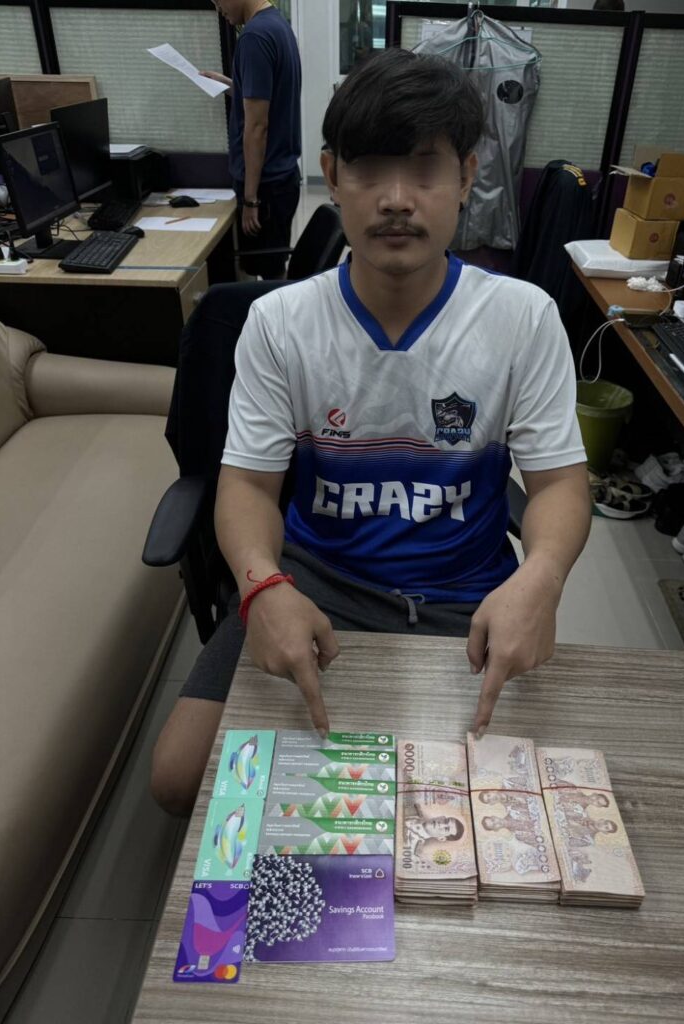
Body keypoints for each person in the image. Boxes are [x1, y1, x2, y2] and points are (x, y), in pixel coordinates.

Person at [151, 48, 591, 816]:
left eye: (424, 170)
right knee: (181, 777)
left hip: (466, 595)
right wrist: (260, 586)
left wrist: (542, 577)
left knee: (481, 804)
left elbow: (556, 483)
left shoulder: (521, 318)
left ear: (467, 175)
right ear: (331, 174)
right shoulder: (280, 323)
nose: (395, 199)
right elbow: (246, 484)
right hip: (316, 583)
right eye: (368, 171)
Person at [203, 0, 301, 277]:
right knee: (272, 268)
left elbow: (257, 127)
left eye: (218, 0)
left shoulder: (254, 37)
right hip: (282, 178)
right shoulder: (277, 25)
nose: (218, 9)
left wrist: (250, 199)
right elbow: (271, 97)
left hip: (264, 188)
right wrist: (232, 85)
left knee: (267, 275)